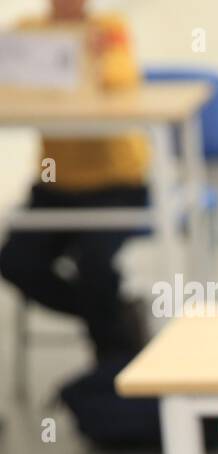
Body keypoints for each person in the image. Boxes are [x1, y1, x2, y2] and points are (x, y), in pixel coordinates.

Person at [0, 0, 148, 363]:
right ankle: (116, 316)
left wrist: (92, 55)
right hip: (56, 184)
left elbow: (120, 77)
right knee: (15, 261)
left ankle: (115, 356)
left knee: (95, 264)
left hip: (116, 183)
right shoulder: (30, 32)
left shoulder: (107, 27)